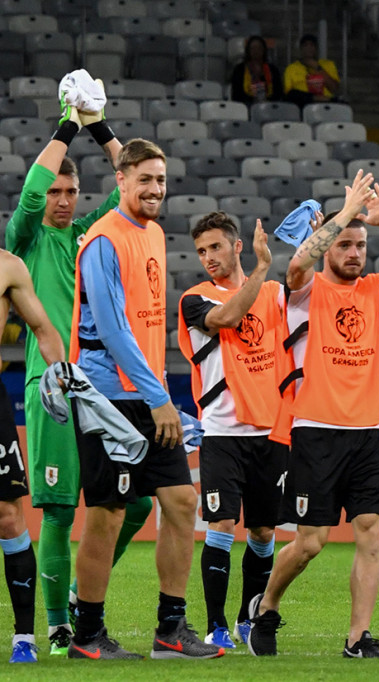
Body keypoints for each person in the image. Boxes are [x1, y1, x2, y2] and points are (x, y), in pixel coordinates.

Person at [247, 171, 379, 658]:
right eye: (345, 243)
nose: (354, 251)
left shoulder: (375, 287)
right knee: (309, 544)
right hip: (316, 432)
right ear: (329, 245)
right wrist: (346, 213)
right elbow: (298, 264)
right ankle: (265, 608)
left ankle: (357, 638)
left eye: (359, 244)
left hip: (368, 432)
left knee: (371, 532)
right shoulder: (307, 290)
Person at [6, 89, 155, 657]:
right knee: (60, 508)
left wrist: (99, 124)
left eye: (72, 192)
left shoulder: (92, 234)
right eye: (57, 193)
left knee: (137, 502)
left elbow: (130, 186)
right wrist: (67, 126)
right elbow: (28, 196)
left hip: (100, 384)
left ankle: (75, 598)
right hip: (51, 386)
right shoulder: (27, 242)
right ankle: (58, 624)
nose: (64, 201)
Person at [67, 138, 223, 660]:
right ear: (121, 181)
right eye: (145, 180)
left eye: (161, 179)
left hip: (147, 392)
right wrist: (160, 397)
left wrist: (157, 394)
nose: (156, 189)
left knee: (181, 502)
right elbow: (113, 332)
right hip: (107, 397)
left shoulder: (153, 233)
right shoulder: (104, 239)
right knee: (108, 513)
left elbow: (147, 325)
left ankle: (170, 631)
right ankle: (87, 635)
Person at [177, 212, 286, 650]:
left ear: (236, 245)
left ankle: (247, 616)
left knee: (262, 533)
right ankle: (217, 624)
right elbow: (226, 317)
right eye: (201, 251)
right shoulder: (194, 299)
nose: (208, 258)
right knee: (220, 523)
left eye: (216, 247)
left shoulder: (276, 294)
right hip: (221, 432)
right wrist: (262, 267)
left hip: (270, 430)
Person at [0, 250, 66, 663]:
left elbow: (42, 328)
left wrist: (60, 379)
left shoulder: (9, 266)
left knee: (7, 515)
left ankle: (24, 637)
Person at [283, 34, 341, 107]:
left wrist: (317, 68)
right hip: (301, 105)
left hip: (326, 105)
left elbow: (334, 88)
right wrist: (313, 98)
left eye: (312, 45)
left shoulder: (328, 65)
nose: (309, 48)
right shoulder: (291, 68)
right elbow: (289, 95)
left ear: (316, 48)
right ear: (301, 49)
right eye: (305, 45)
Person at [231, 35, 283, 105]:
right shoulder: (239, 69)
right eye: (253, 48)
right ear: (248, 51)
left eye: (259, 48)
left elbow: (278, 93)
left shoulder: (273, 69)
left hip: (270, 107)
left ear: (264, 50)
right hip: (246, 107)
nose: (256, 51)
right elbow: (236, 95)